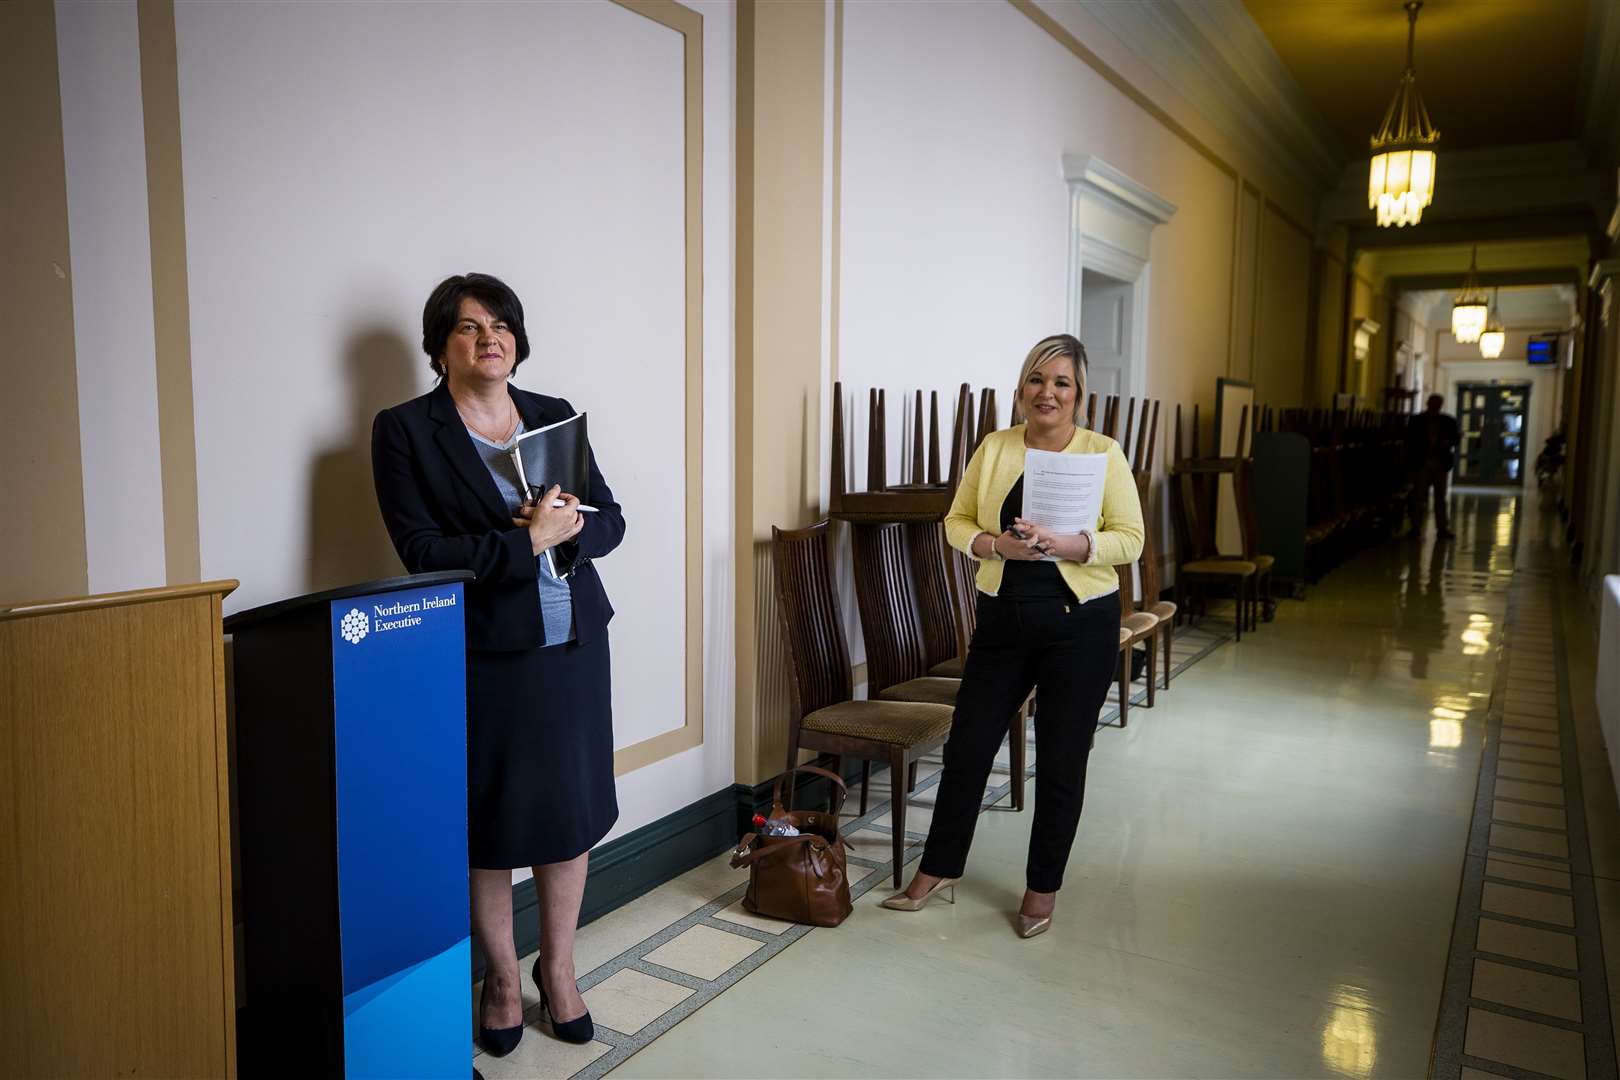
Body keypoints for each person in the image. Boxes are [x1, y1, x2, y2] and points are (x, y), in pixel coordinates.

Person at [371, 273, 625, 1054]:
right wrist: (527, 543)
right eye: (470, 327)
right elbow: (419, 551)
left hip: (573, 645)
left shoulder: (552, 416)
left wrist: (571, 528)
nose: (491, 338)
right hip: (483, 654)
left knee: (568, 816)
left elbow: (610, 519)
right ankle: (504, 980)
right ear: (440, 345)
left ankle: (561, 972)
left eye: (502, 324)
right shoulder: (406, 430)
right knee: (488, 822)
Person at [881, 334, 1144, 938]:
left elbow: (1130, 539)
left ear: (1079, 395)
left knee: (1061, 760)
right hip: (1003, 618)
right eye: (1036, 380)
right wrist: (994, 544)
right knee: (968, 747)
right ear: (1021, 388)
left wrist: (1070, 544)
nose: (1046, 392)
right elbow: (956, 521)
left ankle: (1041, 888)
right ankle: (939, 868)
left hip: (1081, 623)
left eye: (1061, 383)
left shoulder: (1103, 452)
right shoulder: (996, 447)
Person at [1406, 393, 1460, 539]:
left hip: (1440, 463)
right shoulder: (1417, 420)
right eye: (1433, 403)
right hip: (1422, 462)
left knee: (1440, 497)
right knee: (1418, 496)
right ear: (1428, 403)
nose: (1435, 406)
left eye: (1437, 403)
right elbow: (1410, 441)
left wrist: (1446, 442)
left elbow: (1456, 438)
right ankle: (1415, 527)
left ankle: (1441, 528)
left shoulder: (1448, 421)